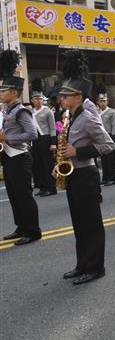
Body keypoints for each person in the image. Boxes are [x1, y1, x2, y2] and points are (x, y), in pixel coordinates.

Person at [57, 51, 114, 285]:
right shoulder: (70, 117)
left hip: (87, 175)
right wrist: (61, 159)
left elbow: (108, 145)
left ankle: (95, 267)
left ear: (78, 96)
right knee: (79, 224)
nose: (61, 99)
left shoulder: (89, 117)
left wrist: (77, 152)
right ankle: (82, 264)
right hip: (73, 174)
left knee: (91, 224)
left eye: (65, 95)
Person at [0, 49, 42, 246]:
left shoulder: (21, 110)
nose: (0, 93)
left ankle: (33, 230)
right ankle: (21, 226)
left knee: (24, 195)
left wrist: (7, 137)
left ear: (14, 92)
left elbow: (32, 134)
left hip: (20, 156)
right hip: (8, 157)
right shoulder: (6, 110)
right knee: (13, 194)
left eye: (3, 90)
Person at [30, 81, 57, 197]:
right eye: (36, 99)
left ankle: (51, 187)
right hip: (35, 140)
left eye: (40, 99)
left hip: (46, 139)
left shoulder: (47, 111)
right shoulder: (30, 112)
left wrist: (53, 143)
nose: (39, 101)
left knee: (48, 164)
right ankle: (42, 186)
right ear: (32, 100)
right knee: (38, 164)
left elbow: (53, 128)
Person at [97, 85, 115, 186]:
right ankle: (105, 177)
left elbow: (114, 125)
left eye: (104, 101)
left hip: (109, 135)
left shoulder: (111, 112)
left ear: (107, 102)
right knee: (103, 159)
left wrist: (113, 138)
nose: (102, 103)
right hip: (100, 137)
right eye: (101, 101)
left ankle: (111, 178)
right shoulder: (97, 112)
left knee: (110, 158)